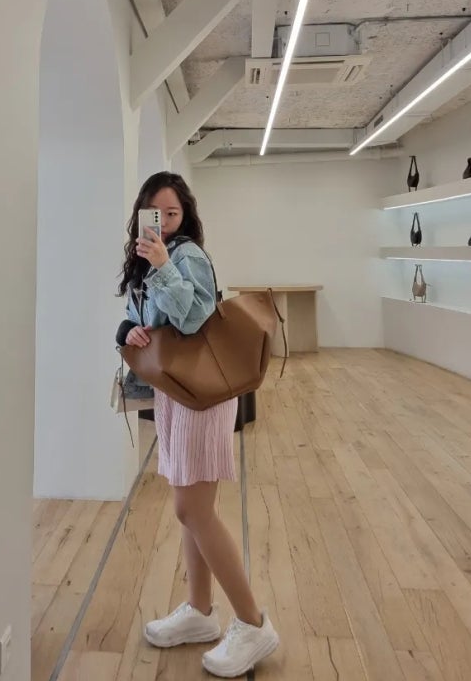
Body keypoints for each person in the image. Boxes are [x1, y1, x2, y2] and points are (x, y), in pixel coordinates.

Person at [117, 171, 280, 678]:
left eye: (173, 213)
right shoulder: (146, 258)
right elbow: (144, 317)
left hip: (203, 397)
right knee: (190, 510)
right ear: (141, 215)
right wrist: (129, 330)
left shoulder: (186, 256)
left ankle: (252, 623)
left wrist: (163, 267)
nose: (164, 222)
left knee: (194, 510)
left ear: (185, 215)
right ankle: (200, 611)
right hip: (175, 393)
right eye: (156, 213)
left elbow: (193, 318)